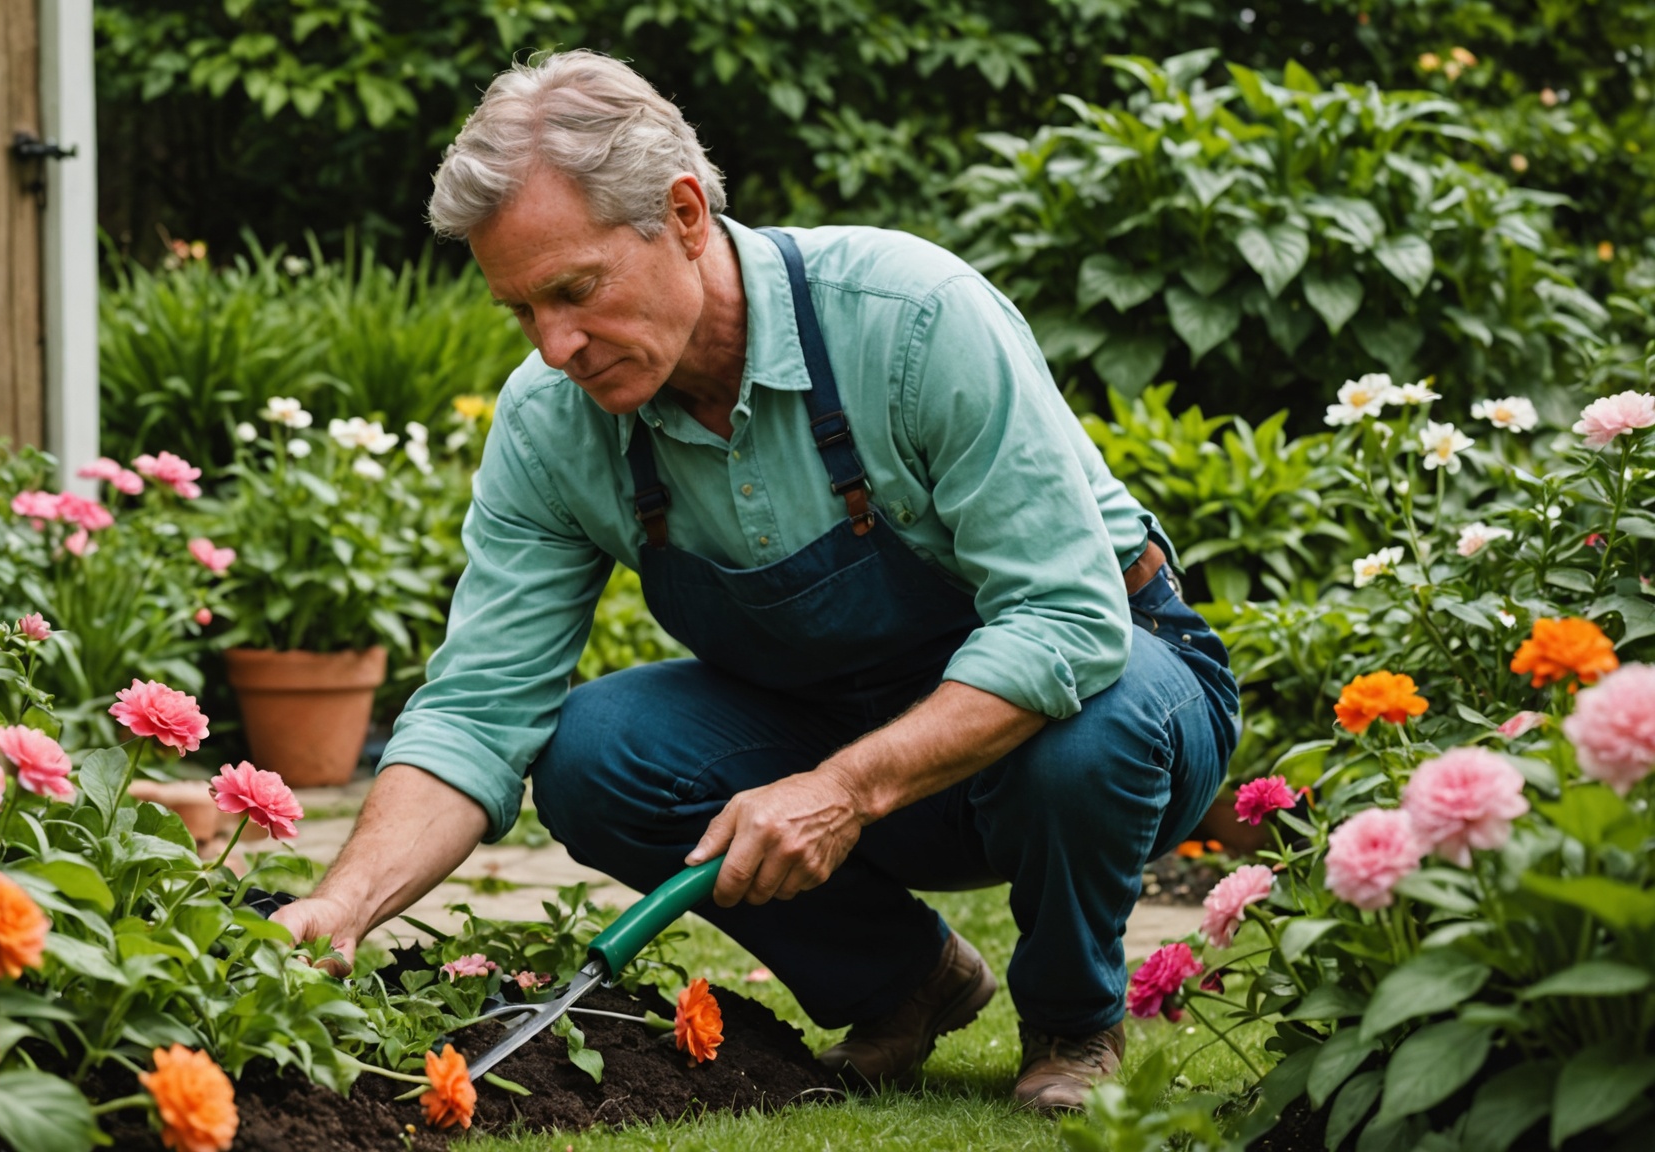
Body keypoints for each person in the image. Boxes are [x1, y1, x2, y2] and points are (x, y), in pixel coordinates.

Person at [271, 49, 1240, 1112]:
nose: (554, 346)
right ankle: (905, 981)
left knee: (1087, 732)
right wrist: (344, 905)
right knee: (595, 755)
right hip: (837, 719)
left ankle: (1071, 1019)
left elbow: (1064, 618)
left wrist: (842, 790)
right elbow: (477, 710)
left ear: (685, 216)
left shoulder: (910, 316)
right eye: (522, 311)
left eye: (575, 291)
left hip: (1106, 704)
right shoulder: (552, 425)